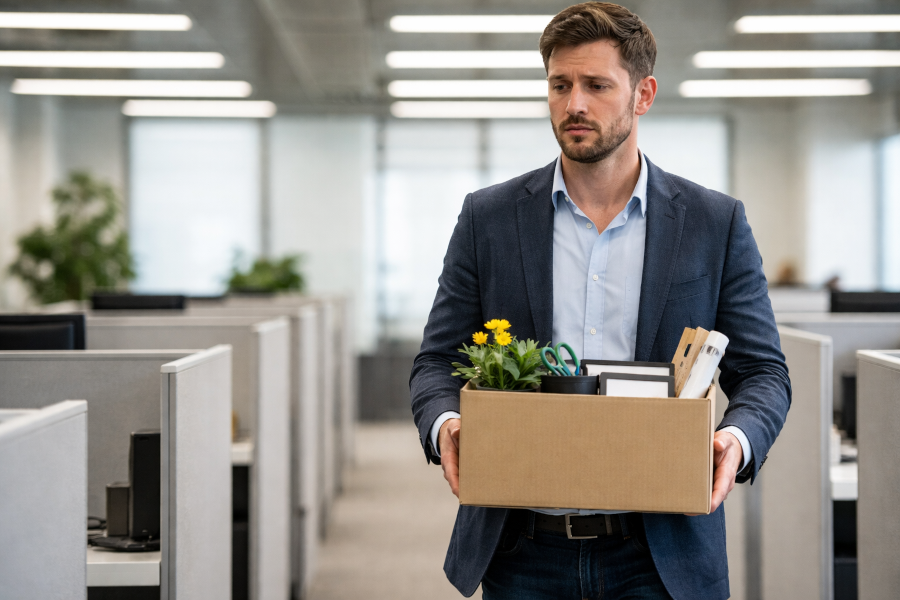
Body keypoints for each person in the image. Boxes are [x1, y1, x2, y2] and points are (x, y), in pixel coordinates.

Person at [409, 3, 791, 599]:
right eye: (560, 85)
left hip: (661, 552)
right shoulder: (489, 218)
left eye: (596, 85)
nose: (574, 104)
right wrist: (447, 424)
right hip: (523, 549)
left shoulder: (713, 223)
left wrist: (734, 440)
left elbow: (764, 372)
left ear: (644, 95)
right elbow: (436, 360)